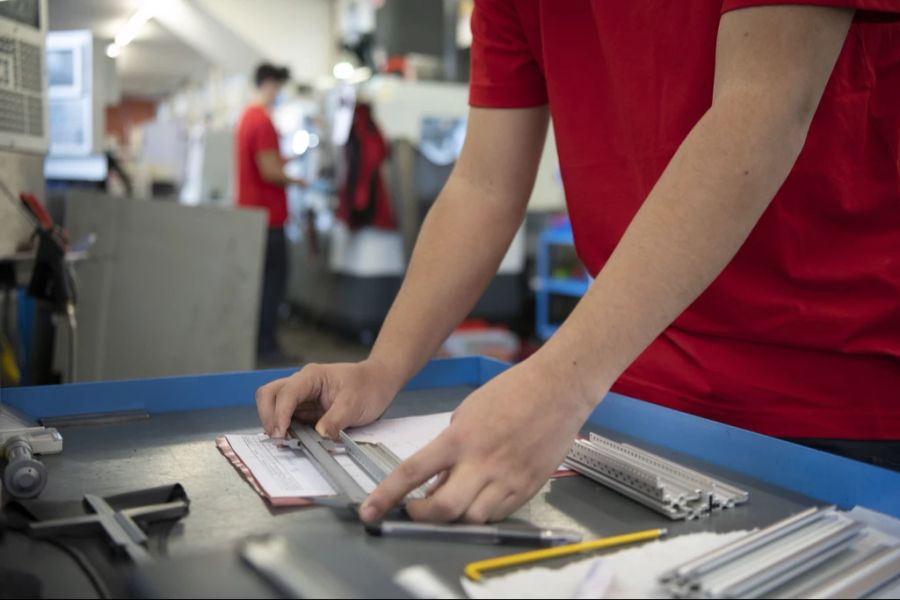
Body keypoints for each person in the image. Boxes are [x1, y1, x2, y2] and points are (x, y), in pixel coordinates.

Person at [256, 1, 900, 524]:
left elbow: (763, 108)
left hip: (833, 403)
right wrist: (382, 368)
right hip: (636, 392)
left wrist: (559, 382)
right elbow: (484, 185)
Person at [236, 63, 306, 363]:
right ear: (268, 84)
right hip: (269, 220)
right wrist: (299, 180)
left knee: (262, 285)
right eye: (277, 87)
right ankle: (267, 348)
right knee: (272, 287)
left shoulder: (246, 119)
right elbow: (269, 171)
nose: (278, 94)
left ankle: (263, 344)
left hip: (253, 217)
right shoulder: (262, 121)